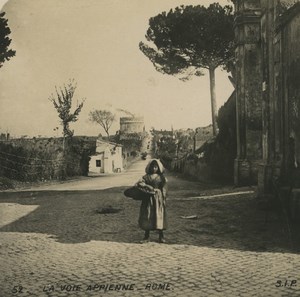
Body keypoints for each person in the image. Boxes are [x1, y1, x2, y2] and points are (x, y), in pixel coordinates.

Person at [136, 159, 167, 243]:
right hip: (148, 198)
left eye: (156, 167)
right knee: (148, 215)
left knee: (159, 215)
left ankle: (161, 236)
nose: (154, 169)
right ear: (149, 167)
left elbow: (164, 187)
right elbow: (138, 183)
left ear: (158, 167)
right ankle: (146, 236)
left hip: (158, 198)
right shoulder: (146, 177)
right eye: (152, 167)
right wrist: (147, 186)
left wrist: (163, 197)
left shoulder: (161, 177)